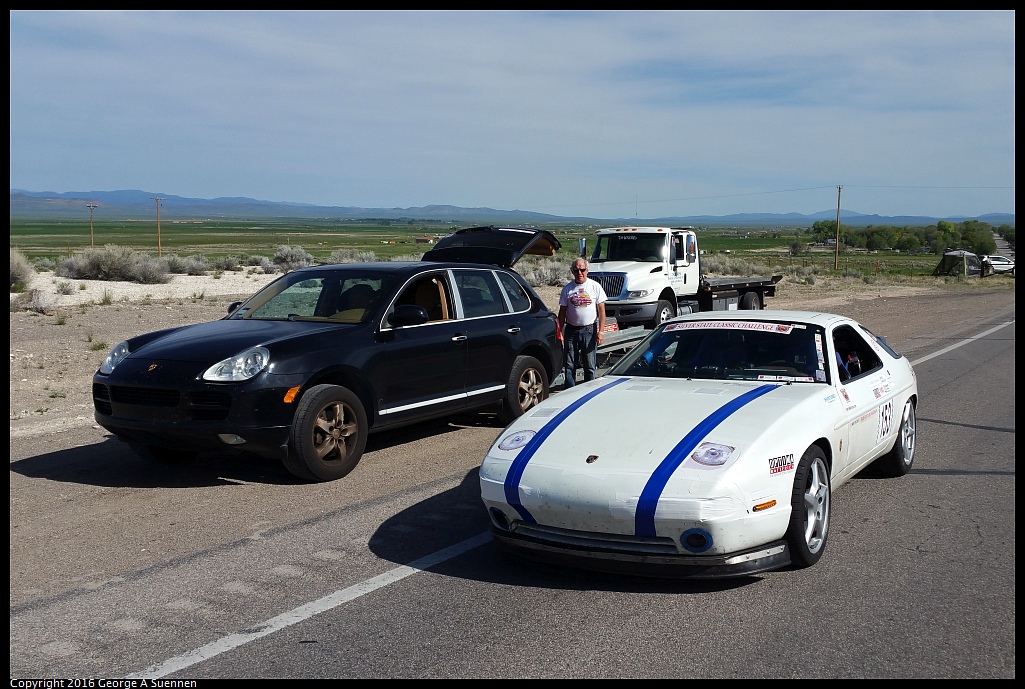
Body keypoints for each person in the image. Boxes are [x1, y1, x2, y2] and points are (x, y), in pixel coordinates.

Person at [558, 258, 607, 387]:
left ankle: (588, 391)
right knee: (569, 365)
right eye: (576, 270)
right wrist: (559, 332)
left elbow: (601, 311)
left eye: (582, 269)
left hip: (589, 330)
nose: (579, 272)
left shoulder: (595, 286)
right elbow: (562, 312)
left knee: (589, 365)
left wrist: (601, 332)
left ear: (587, 271)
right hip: (571, 330)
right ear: (572, 272)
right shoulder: (567, 289)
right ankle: (570, 392)